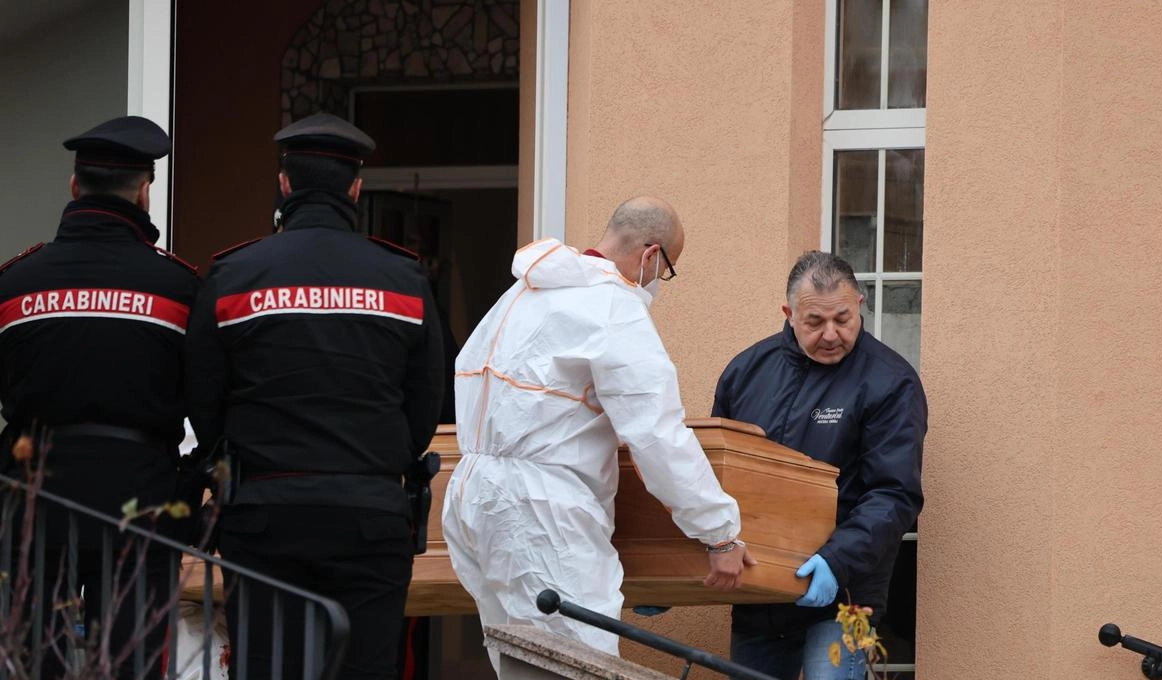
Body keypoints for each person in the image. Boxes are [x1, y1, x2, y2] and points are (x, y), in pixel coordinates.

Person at [442, 196, 755, 672]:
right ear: (652, 255)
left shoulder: (521, 293)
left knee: (520, 663)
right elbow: (657, 434)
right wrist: (719, 534)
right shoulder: (613, 306)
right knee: (579, 661)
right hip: (544, 511)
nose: (658, 283)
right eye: (667, 269)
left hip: (473, 499)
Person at [184, 112, 444, 680]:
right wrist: (382, 458)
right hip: (369, 515)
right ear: (356, 187)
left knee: (266, 666)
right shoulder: (403, 279)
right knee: (366, 668)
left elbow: (202, 394)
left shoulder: (233, 275)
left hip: (263, 516)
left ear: (285, 184)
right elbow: (427, 399)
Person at [0, 116, 199, 676]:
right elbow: (211, 400)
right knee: (132, 662)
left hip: (37, 507)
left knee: (39, 661)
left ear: (73, 186)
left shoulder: (15, 283)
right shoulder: (180, 289)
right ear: (144, 192)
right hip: (140, 505)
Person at [712, 251, 926, 680]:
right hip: (759, 593)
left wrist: (835, 559)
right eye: (814, 322)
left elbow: (895, 493)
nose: (831, 334)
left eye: (843, 319)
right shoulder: (746, 372)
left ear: (860, 305)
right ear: (789, 314)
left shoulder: (891, 381)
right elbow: (718, 475)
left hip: (844, 594)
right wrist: (686, 558)